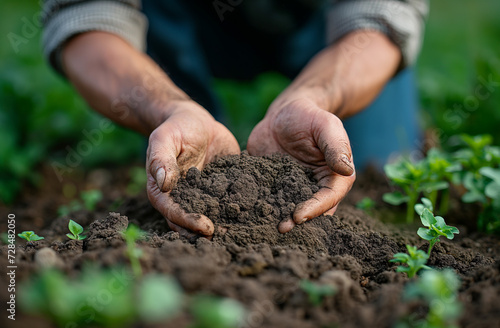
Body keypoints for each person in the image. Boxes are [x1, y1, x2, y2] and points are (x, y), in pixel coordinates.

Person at [42, 0, 428, 238]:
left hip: (325, 25)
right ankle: (187, 105)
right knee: (175, 149)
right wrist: (171, 109)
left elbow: (383, 15)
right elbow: (86, 15)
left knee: (381, 165)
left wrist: (313, 97)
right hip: (177, 18)